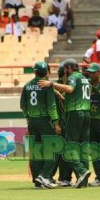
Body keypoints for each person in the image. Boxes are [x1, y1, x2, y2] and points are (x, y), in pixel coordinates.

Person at [38, 59, 91, 188]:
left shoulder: (73, 77)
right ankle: (82, 178)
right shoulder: (84, 78)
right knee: (83, 146)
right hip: (86, 113)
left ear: (68, 68)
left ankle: (82, 172)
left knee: (68, 146)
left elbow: (69, 89)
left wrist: (51, 84)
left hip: (75, 113)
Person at [20, 61, 61, 189]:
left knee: (36, 151)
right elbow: (51, 106)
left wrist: (28, 118)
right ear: (46, 72)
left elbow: (23, 105)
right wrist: (56, 123)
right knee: (53, 149)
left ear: (35, 71)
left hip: (32, 121)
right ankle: (44, 176)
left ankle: (37, 180)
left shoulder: (27, 86)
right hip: (44, 121)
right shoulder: (46, 86)